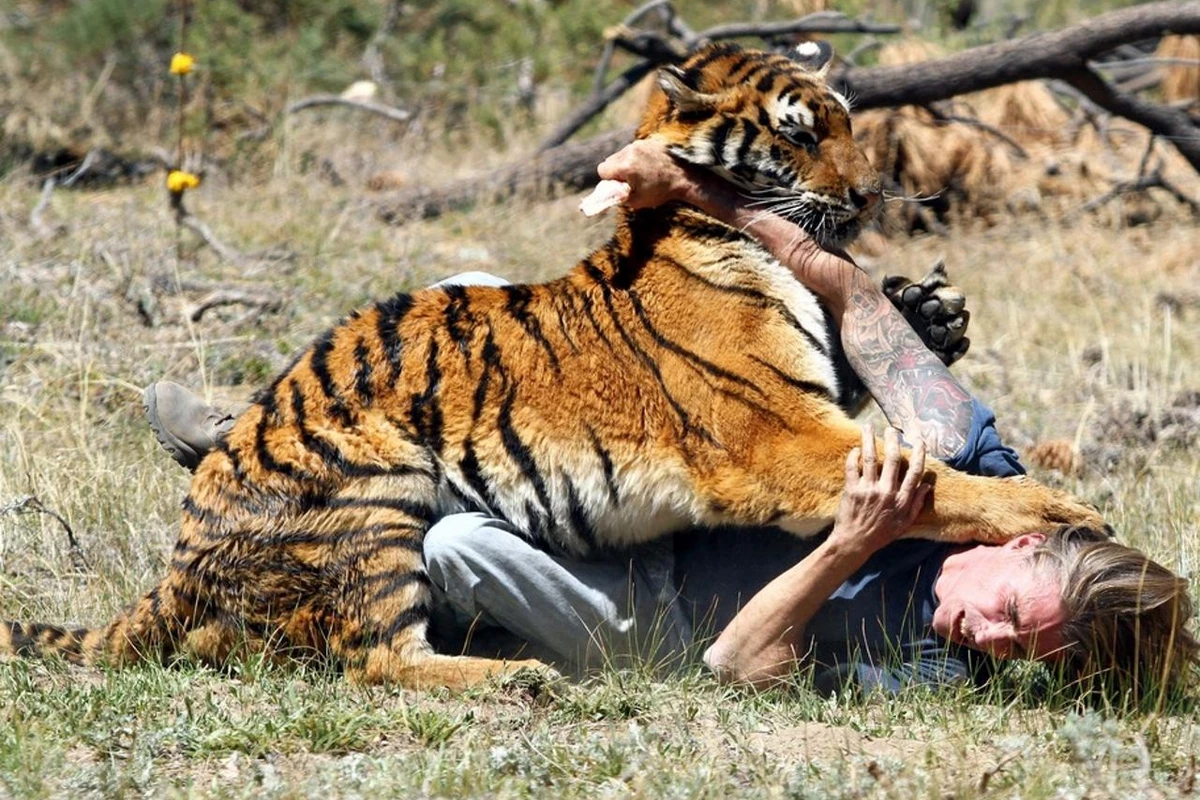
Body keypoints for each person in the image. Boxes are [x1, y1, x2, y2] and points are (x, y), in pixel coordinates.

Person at [143, 142, 1197, 699]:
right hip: (669, 484)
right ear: (1027, 539)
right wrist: (701, 192)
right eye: (1017, 609)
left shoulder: (940, 671)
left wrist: (853, 541)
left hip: (654, 614)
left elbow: (738, 668)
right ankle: (272, 440)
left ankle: (320, 514)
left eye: (1026, 652)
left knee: (460, 543)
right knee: (470, 291)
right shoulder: (990, 469)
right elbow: (864, 308)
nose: (991, 636)